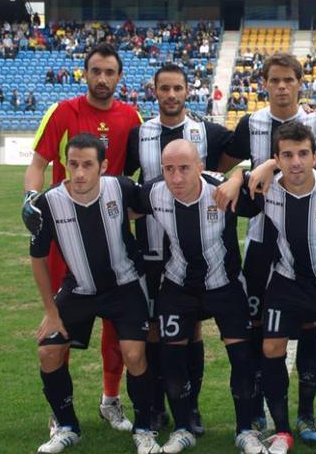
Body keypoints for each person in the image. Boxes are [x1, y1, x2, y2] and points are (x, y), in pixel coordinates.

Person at [216, 52, 316, 443]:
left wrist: (274, 165)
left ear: (301, 83)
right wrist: (241, 174)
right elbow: (222, 162)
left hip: (312, 237)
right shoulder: (252, 122)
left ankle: (307, 414)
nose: (281, 87)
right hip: (266, 241)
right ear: (263, 84)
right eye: (274, 80)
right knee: (262, 329)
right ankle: (265, 410)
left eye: (288, 80)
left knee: (309, 323)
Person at [22, 43, 144, 434]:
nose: (103, 79)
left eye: (110, 72)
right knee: (62, 322)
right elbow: (38, 164)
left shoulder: (131, 116)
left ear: (119, 77)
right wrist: (30, 199)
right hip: (66, 233)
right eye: (96, 71)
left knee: (117, 325)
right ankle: (61, 413)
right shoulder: (62, 112)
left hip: (111, 228)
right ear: (85, 73)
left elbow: (139, 178)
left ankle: (111, 399)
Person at [29, 133, 160, 454]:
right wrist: (51, 311)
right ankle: (67, 426)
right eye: (73, 164)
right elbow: (38, 258)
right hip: (80, 289)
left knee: (134, 354)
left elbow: (155, 204)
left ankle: (144, 429)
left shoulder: (122, 188)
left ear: (102, 166)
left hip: (125, 286)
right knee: (48, 352)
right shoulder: (48, 203)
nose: (80, 173)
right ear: (65, 165)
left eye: (88, 165)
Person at [133, 140, 266, 454]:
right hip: (178, 287)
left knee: (242, 359)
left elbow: (263, 180)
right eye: (169, 169)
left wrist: (239, 177)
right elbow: (122, 200)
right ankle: (181, 429)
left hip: (226, 286)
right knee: (171, 360)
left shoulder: (222, 191)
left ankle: (245, 430)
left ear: (200, 166)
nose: (176, 178)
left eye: (184, 169)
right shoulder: (153, 193)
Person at [124, 63, 234, 435]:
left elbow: (234, 171)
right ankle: (156, 406)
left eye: (178, 88)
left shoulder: (209, 132)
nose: (171, 95)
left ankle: (192, 407)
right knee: (155, 330)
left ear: (189, 91)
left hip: (195, 252)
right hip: (153, 249)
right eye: (164, 88)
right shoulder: (139, 134)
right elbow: (124, 185)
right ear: (154, 91)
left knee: (193, 332)